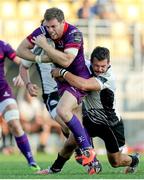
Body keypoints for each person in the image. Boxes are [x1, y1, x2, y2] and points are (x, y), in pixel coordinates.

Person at [36, 46, 140, 175]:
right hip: (90, 119)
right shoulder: (84, 66)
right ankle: (54, 169)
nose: (100, 69)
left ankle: (134, 160)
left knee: (115, 161)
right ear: (90, 62)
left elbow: (83, 84)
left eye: (103, 66)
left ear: (109, 64)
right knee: (71, 142)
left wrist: (62, 73)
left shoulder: (109, 77)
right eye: (97, 66)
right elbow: (66, 63)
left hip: (110, 124)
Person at [17, 7, 96, 166]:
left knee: (76, 122)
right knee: (65, 123)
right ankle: (85, 151)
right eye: (47, 28)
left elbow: (67, 60)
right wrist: (28, 83)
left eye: (53, 28)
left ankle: (88, 155)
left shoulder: (66, 41)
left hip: (69, 84)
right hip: (51, 93)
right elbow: (23, 66)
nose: (50, 32)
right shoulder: (39, 46)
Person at [0, 40, 40, 171]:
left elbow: (22, 62)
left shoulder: (3, 46)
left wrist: (21, 75)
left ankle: (31, 161)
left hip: (2, 92)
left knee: (16, 125)